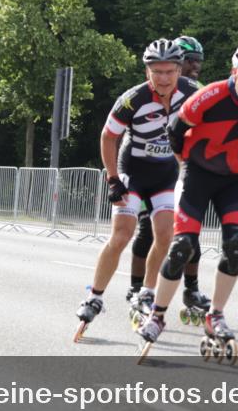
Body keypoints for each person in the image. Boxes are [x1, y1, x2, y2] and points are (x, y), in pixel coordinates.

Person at [135, 41, 238, 361]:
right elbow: (175, 130)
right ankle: (157, 315)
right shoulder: (209, 96)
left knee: (236, 245)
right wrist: (185, 163)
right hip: (197, 174)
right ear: (235, 71)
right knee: (182, 246)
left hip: (234, 179)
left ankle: (215, 314)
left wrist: (233, 163)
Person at [73, 38, 199, 341]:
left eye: (170, 71)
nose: (165, 78)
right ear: (147, 73)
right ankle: (95, 296)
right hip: (133, 170)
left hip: (166, 174)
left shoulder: (194, 93)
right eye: (157, 72)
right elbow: (107, 137)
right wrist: (113, 179)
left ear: (179, 70)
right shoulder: (133, 99)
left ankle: (147, 291)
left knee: (166, 236)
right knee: (121, 234)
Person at [124, 36, 210, 319]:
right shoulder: (152, 88)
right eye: (190, 60)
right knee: (149, 229)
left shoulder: (195, 91)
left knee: (190, 231)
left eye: (199, 60)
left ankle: (191, 288)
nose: (195, 65)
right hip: (146, 166)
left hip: (179, 167)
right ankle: (137, 288)